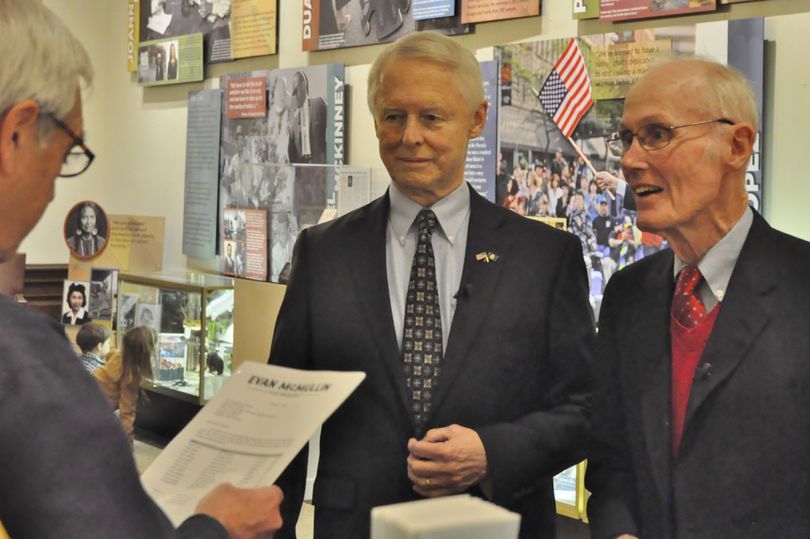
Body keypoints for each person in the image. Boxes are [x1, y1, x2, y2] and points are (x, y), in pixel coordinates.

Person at [268, 31, 594, 539]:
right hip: (356, 526)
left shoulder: (545, 258)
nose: (409, 136)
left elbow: (586, 407)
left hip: (496, 524)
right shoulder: (323, 253)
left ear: (477, 119)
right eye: (393, 116)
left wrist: (492, 452)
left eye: (432, 117)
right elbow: (282, 414)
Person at [0, 2, 283, 537]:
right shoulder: (19, 362)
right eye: (63, 157)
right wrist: (217, 526)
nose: (55, 189)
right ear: (16, 134)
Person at [586, 58, 810, 538]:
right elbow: (610, 462)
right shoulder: (629, 297)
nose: (629, 160)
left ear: (737, 145)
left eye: (657, 134)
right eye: (626, 138)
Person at [94, 326, 155, 443]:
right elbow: (126, 410)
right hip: (99, 405)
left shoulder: (119, 355)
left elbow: (109, 355)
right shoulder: (131, 375)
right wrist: (128, 440)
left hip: (89, 391)